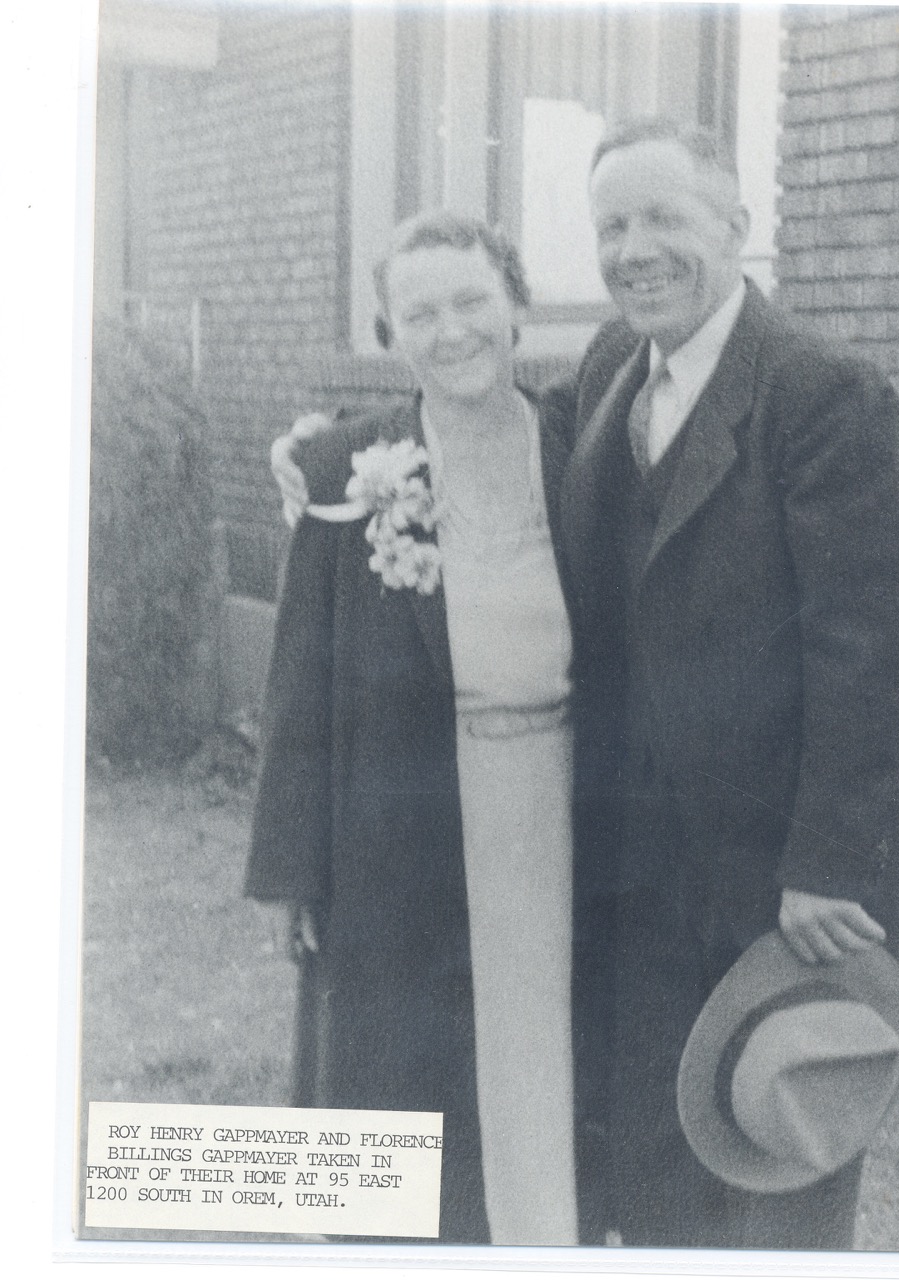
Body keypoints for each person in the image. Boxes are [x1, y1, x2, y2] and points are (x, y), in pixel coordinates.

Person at [270, 118, 899, 1251]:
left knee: (767, 1164)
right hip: (622, 864)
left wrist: (832, 860)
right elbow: (478, 426)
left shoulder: (822, 394)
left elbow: (877, 650)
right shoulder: (612, 370)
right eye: (611, 225)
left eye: (662, 218)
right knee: (649, 1164)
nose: (634, 248)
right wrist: (335, 448)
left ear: (735, 226)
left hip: (761, 877)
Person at [246, 211, 585, 1246]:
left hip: (567, 809)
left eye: (472, 301)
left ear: (519, 308)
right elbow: (298, 681)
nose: (450, 331)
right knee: (408, 1078)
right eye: (419, 312)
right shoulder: (348, 464)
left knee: (547, 1057)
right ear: (390, 333)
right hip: (405, 823)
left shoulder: (585, 443)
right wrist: (299, 868)